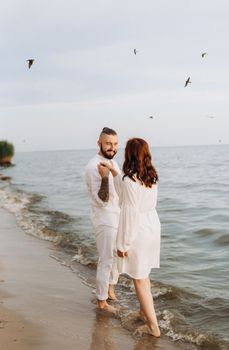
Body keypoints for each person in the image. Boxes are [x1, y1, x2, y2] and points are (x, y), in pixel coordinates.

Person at [102, 138, 161, 337]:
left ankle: (154, 327)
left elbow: (129, 213)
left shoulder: (130, 180)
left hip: (138, 231)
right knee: (144, 275)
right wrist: (114, 172)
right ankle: (144, 313)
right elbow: (125, 194)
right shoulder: (151, 176)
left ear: (129, 154)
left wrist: (123, 244)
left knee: (139, 279)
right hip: (152, 227)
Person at [85, 127, 120, 312]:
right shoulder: (93, 167)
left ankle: (110, 287)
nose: (112, 148)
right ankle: (101, 300)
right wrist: (105, 178)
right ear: (99, 142)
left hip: (117, 216)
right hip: (104, 219)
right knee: (106, 259)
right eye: (108, 143)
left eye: (115, 144)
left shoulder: (113, 163)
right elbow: (102, 201)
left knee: (117, 256)